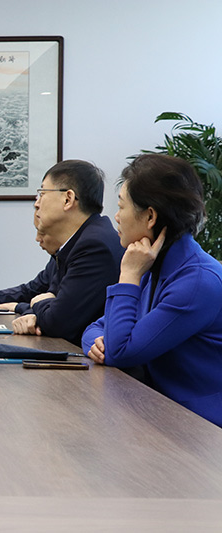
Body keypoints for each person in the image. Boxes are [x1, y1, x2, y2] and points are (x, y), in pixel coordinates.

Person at [83, 154, 222, 426]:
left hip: (202, 428)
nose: (116, 217)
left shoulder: (196, 282)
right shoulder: (156, 261)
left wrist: (128, 275)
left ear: (150, 216)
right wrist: (97, 343)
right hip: (158, 410)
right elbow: (96, 327)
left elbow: (121, 352)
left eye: (121, 206)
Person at [0, 160, 125, 345]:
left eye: (42, 194)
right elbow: (34, 289)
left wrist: (31, 305)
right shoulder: (75, 241)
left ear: (68, 199)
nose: (36, 203)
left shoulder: (94, 246)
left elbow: (58, 321)